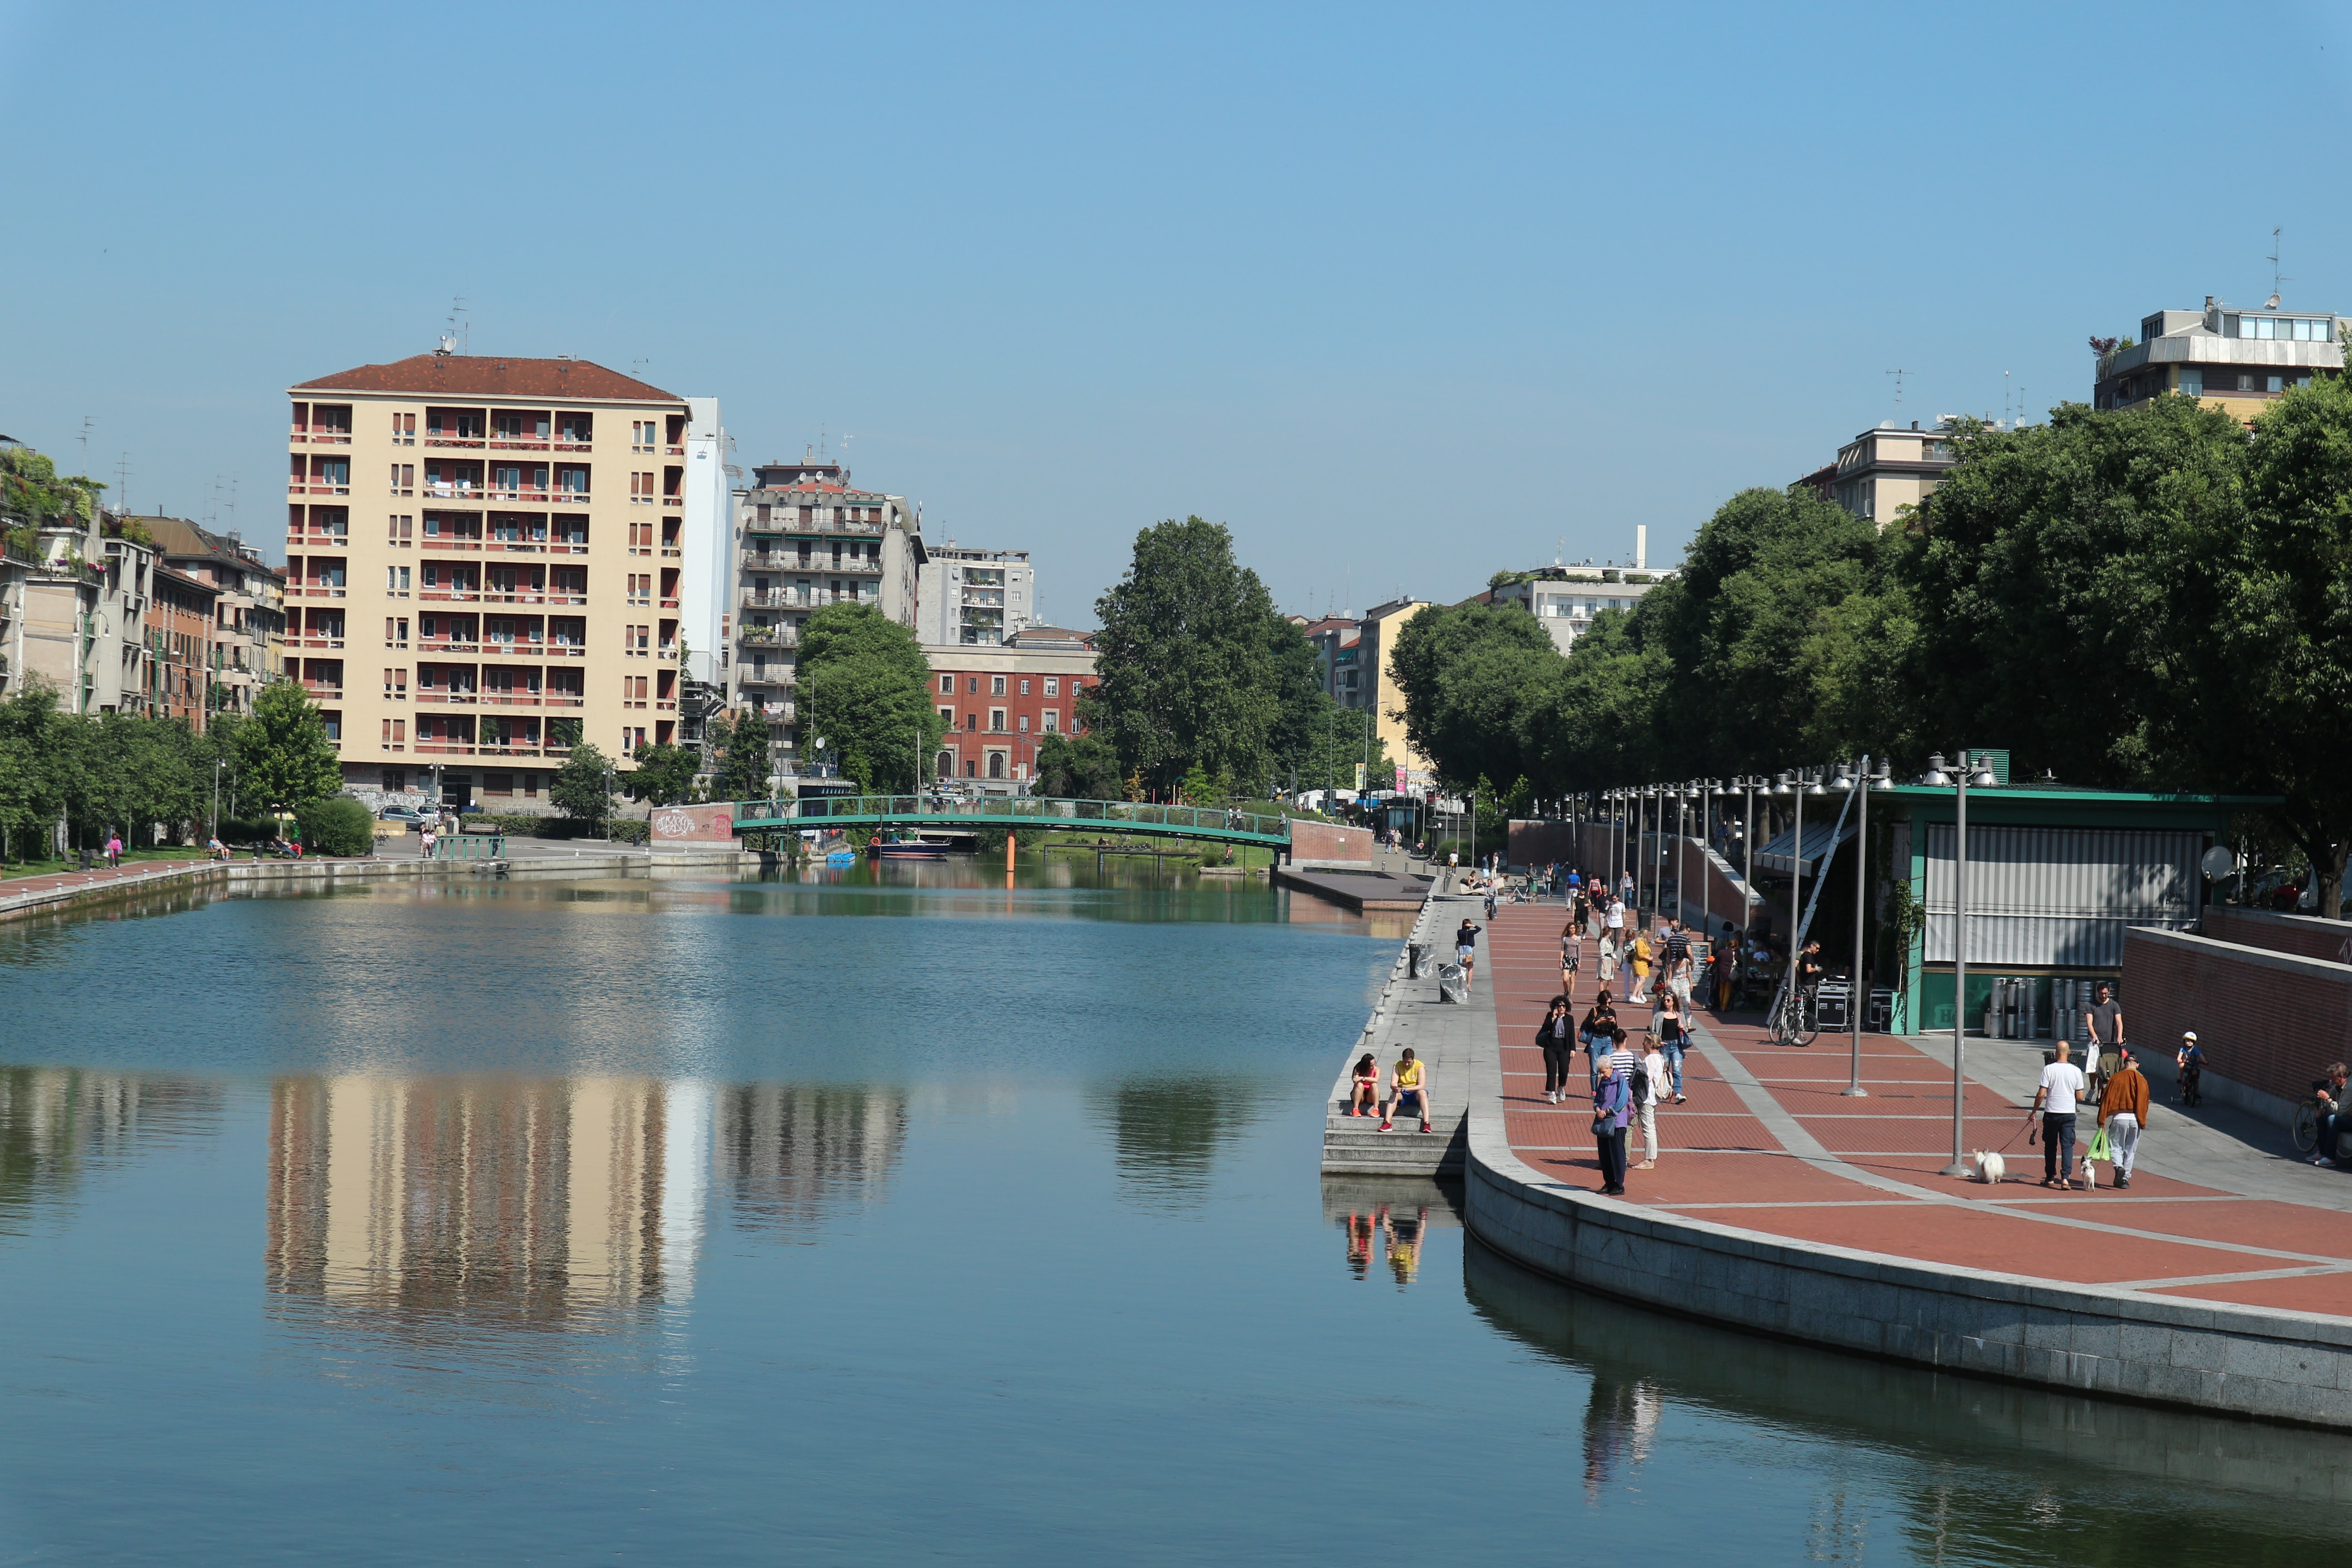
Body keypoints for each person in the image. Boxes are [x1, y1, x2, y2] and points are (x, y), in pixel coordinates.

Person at [2032, 1040, 2089, 1190]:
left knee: (2050, 1146)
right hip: (2069, 1113)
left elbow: (2041, 1093)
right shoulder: (2076, 1071)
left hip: (2052, 1112)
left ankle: (2050, 1177)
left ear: (2056, 1052)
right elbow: (2080, 1097)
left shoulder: (2049, 1069)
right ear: (2069, 1053)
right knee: (2067, 1146)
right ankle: (2065, 1179)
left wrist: (2034, 1112)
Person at [2097, 1047, 2151, 1189]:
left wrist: (2102, 1121)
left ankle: (2118, 1166)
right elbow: (2145, 1103)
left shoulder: (2116, 1078)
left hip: (2119, 1117)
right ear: (2137, 1065)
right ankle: (2125, 1178)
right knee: (2130, 1150)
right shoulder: (2142, 1081)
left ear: (2124, 1064)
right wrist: (2142, 1122)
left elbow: (2106, 1100)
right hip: (2135, 1119)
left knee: (2116, 1147)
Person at [1591, 1054, 1631, 1196]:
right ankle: (1608, 1183)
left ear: (1611, 1068)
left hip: (1617, 1123)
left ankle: (1618, 1185)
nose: (1602, 1075)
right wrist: (1597, 1109)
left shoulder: (1620, 1080)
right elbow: (1597, 1100)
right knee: (1605, 1155)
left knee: (1617, 1155)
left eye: (1604, 1071)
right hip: (1604, 1123)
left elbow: (1622, 1101)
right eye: (1600, 1072)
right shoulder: (1603, 1082)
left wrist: (1608, 1111)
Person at [1634, 1032, 1667, 1170]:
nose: (1643, 1044)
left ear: (1651, 1045)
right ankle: (1650, 1158)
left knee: (1649, 1128)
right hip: (1651, 1097)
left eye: (1645, 1042)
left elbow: (1646, 1077)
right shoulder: (1660, 1058)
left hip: (1647, 1096)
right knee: (1650, 1127)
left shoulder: (1651, 1059)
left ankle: (1649, 1159)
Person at [1381, 1048, 1431, 1134]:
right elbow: (1393, 1083)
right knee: (1394, 1094)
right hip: (1402, 1094)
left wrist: (1406, 1089)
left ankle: (1427, 1123)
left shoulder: (1420, 1066)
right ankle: (1387, 1123)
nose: (1407, 1064)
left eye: (1409, 1062)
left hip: (1415, 1093)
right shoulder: (1397, 1065)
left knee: (1423, 1092)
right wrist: (1395, 1087)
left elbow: (1421, 1085)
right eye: (1405, 1062)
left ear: (1413, 1060)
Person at [2086, 982, 2123, 1097]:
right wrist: (2094, 1036)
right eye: (2102, 994)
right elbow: (2089, 1023)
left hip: (2109, 1042)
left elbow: (2119, 1022)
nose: (2104, 996)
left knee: (2105, 1068)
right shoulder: (2091, 1005)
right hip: (2095, 1042)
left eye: (2106, 994)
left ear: (2109, 992)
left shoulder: (2114, 1005)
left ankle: (2100, 1093)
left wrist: (2119, 1036)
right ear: (2098, 992)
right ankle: (2092, 1088)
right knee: (2094, 1068)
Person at [2310, 1061, 2350, 1167]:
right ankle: (2322, 1153)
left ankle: (2331, 1158)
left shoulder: (2350, 1087)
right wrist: (2323, 1108)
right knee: (2321, 1117)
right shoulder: (2339, 1084)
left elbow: (2341, 1111)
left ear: (2341, 1077)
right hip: (2346, 1116)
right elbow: (2331, 1095)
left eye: (2333, 1078)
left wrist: (2327, 1099)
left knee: (2333, 1119)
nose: (2332, 1081)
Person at [1538, 996, 1576, 1104]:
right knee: (1552, 1071)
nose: (1561, 1008)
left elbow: (1571, 1035)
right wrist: (1553, 1019)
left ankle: (1561, 1087)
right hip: (1551, 1047)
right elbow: (1545, 1028)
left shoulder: (1569, 1019)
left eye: (1564, 1006)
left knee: (1564, 1071)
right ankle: (1552, 1094)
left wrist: (1573, 1049)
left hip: (1564, 1048)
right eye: (1559, 1006)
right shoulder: (1550, 1016)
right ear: (1556, 1007)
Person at [1655, 987, 1689, 1102]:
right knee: (1663, 1070)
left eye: (1668, 1000)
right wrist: (1658, 1042)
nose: (1666, 1002)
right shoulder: (1659, 1015)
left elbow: (1686, 1030)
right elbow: (1654, 1032)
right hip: (1664, 1046)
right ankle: (1664, 1091)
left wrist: (1683, 1028)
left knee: (1677, 1070)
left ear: (1674, 1001)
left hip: (1676, 1046)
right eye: (1664, 1000)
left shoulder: (1680, 1015)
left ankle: (1678, 1094)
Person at [2176, 1030, 2205, 1107]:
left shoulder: (2195, 1049)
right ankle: (2180, 1079)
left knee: (2196, 1079)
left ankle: (2197, 1093)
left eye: (2192, 1042)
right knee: (2181, 1065)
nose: (2190, 1043)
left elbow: (2200, 1055)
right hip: (2186, 1065)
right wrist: (2179, 1059)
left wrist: (2204, 1061)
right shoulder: (2183, 1049)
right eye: (2188, 1041)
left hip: (2194, 1066)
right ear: (2184, 1041)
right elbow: (2180, 1055)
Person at [1348, 1053, 1381, 1117]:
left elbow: (1376, 1080)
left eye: (1374, 1064)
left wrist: (1363, 1078)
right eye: (1371, 1066)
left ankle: (1376, 1109)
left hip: (1370, 1095)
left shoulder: (1377, 1070)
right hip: (1359, 1095)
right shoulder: (1358, 1069)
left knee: (1374, 1084)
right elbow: (1356, 1080)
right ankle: (1355, 1109)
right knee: (1360, 1085)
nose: (1373, 1067)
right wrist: (1357, 1078)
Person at [1627, 928, 1652, 1004]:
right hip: (1639, 963)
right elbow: (1640, 954)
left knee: (1643, 980)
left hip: (1644, 964)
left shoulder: (1644, 942)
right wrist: (1649, 958)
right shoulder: (1640, 942)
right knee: (1642, 980)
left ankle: (1638, 996)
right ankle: (1634, 995)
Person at [1455, 918, 1481, 989]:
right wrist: (1473, 925)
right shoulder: (1470, 933)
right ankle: (1468, 984)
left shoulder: (1459, 932)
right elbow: (1479, 929)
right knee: (1470, 968)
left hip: (1461, 951)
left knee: (1462, 968)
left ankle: (1460, 984)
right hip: (1468, 951)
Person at [1559, 921, 1582, 1001]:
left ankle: (1570, 997)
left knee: (1572, 980)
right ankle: (1566, 991)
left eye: (1574, 928)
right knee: (1566, 979)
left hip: (1575, 960)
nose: (1572, 930)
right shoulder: (1565, 938)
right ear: (1568, 929)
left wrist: (1579, 962)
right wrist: (1561, 961)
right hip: (1567, 959)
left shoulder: (1578, 938)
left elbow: (1579, 951)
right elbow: (1562, 950)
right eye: (1571, 928)